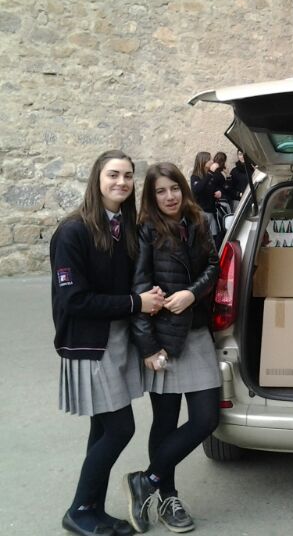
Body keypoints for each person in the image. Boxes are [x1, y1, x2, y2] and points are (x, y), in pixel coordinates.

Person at [50, 150, 163, 536]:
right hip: (89, 343)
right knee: (119, 429)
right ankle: (78, 509)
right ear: (97, 179)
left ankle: (91, 508)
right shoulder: (73, 231)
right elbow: (74, 299)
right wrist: (136, 303)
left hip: (116, 340)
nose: (122, 182)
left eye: (128, 176)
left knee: (102, 430)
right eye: (113, 174)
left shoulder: (124, 226)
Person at [125, 162, 221, 533]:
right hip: (162, 337)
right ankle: (168, 497)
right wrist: (148, 348)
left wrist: (191, 293)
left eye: (174, 188)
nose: (169, 196)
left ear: (184, 188)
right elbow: (138, 289)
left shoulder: (198, 222)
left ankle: (145, 481)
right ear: (151, 196)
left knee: (205, 419)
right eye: (160, 191)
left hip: (195, 332)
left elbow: (212, 265)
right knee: (164, 422)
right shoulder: (146, 230)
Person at [190, 151, 223, 246]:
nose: (212, 161)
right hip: (202, 213)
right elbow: (198, 189)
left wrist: (220, 191)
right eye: (210, 159)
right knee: (206, 241)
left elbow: (219, 185)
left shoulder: (210, 175)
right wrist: (210, 173)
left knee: (215, 238)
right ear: (203, 162)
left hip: (212, 212)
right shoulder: (195, 177)